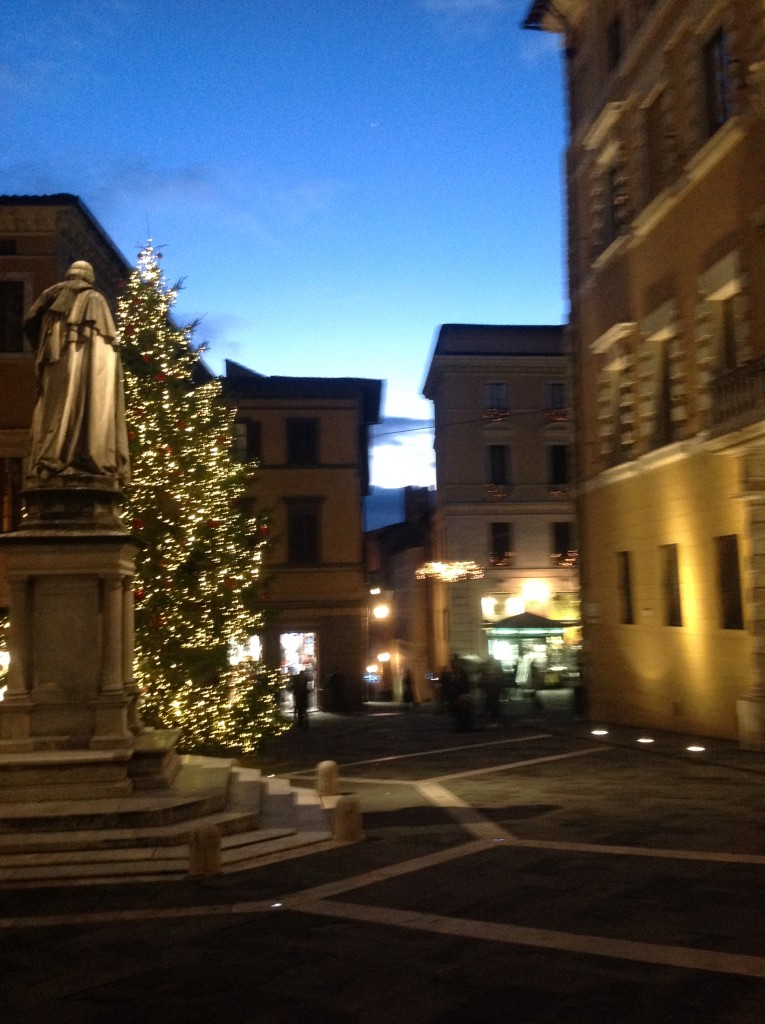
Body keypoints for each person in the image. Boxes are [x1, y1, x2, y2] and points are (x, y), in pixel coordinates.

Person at [24, 261, 130, 486]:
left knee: (55, 412)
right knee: (89, 408)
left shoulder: (49, 301)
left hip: (55, 372)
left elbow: (31, 329)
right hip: (87, 376)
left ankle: (54, 455)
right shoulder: (94, 299)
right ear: (90, 278)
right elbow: (103, 356)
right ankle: (84, 453)